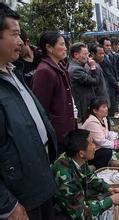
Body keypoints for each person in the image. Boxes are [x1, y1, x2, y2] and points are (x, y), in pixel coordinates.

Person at [0, 3, 57, 219]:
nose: (21, 41)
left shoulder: (12, 71)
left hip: (39, 176)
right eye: (14, 34)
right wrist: (7, 204)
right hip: (19, 194)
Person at [52, 129, 119, 219]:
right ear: (81, 153)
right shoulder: (66, 179)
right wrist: (110, 201)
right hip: (63, 212)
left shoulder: (76, 158)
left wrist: (108, 188)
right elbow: (81, 214)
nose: (95, 146)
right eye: (91, 144)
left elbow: (89, 177)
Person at [32, 32, 76, 153]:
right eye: (61, 44)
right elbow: (41, 108)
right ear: (49, 48)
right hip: (58, 133)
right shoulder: (44, 71)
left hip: (66, 130)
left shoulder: (59, 66)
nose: (65, 48)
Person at [82, 97, 119, 169]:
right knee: (107, 152)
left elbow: (106, 133)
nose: (106, 109)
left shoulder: (103, 118)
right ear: (95, 110)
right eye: (103, 107)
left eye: (106, 106)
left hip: (97, 148)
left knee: (112, 144)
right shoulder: (92, 122)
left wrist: (116, 138)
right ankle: (96, 167)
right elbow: (101, 141)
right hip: (89, 152)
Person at [68, 42, 101, 123]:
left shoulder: (79, 66)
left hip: (86, 103)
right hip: (83, 105)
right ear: (76, 55)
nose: (88, 57)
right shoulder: (75, 70)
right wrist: (93, 67)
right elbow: (95, 81)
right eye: (85, 54)